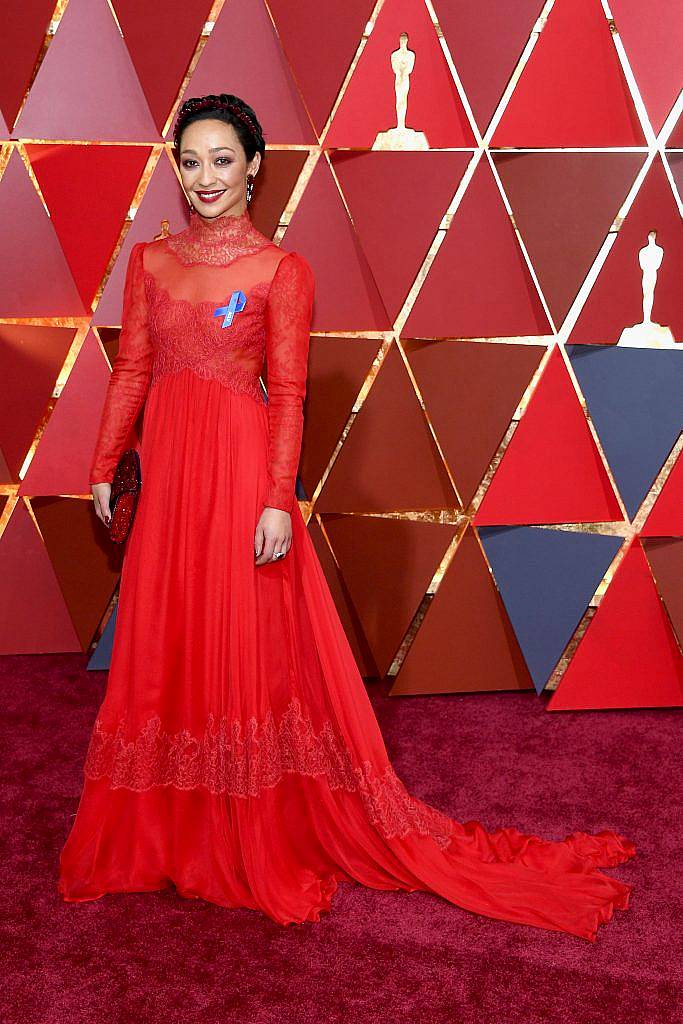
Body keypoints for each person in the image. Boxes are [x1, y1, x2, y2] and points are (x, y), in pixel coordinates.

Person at [57, 93, 636, 941]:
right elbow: (131, 371)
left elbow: (286, 394)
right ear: (175, 167)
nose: (207, 177)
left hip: (237, 472)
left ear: (254, 165)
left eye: (223, 159)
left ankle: (241, 833)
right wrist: (105, 463)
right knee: (168, 642)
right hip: (171, 478)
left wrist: (274, 497)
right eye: (192, 160)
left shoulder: (281, 271)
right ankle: (159, 829)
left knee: (239, 644)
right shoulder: (149, 261)